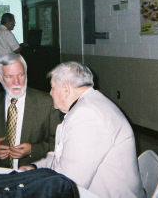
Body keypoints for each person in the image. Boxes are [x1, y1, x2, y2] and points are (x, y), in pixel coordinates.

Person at [19, 62, 145, 198]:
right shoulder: (88, 104)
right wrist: (36, 168)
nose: (50, 93)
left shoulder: (87, 115)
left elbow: (69, 183)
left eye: (52, 87)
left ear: (66, 89)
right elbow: (61, 157)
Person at [0, 53, 61, 170]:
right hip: (0, 173)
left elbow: (59, 140)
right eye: (9, 77)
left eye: (20, 75)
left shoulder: (47, 102)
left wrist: (33, 149)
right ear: (0, 78)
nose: (16, 82)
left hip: (33, 172)